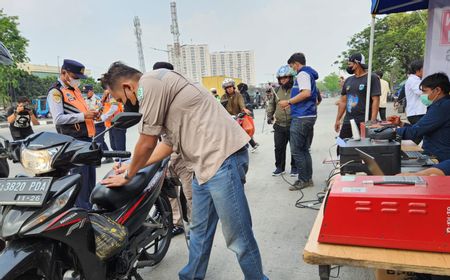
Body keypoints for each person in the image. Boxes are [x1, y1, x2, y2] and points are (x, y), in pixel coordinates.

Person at [100, 62, 268, 280]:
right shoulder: (162, 87)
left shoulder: (148, 83)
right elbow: (167, 143)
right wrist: (133, 164)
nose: (125, 104)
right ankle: (191, 277)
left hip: (222, 159)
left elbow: (147, 141)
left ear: (127, 86)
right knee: (199, 230)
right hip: (204, 165)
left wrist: (128, 175)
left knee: (238, 237)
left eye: (121, 99)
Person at [47, 59, 98, 209]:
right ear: (64, 73)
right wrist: (84, 116)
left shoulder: (75, 90)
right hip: (73, 140)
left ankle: (90, 208)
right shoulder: (56, 92)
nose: (77, 81)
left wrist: (91, 115)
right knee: (80, 178)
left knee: (90, 177)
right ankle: (82, 211)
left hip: (87, 138)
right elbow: (58, 119)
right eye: (75, 77)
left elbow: (80, 111)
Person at [152, 61, 193, 237]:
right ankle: (175, 222)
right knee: (167, 189)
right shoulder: (155, 97)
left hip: (183, 152)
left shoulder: (180, 96)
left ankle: (197, 225)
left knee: (189, 191)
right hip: (164, 152)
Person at [388, 72, 450, 162]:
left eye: (425, 91)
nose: (422, 95)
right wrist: (401, 124)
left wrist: (390, 132)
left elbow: (415, 132)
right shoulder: (441, 105)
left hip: (440, 158)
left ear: (437, 90)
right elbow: (422, 129)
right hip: (435, 154)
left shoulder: (441, 107)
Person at [279, 52, 318, 190]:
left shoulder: (302, 74)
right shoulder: (308, 75)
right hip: (307, 115)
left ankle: (303, 180)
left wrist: (289, 101)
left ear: (296, 63)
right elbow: (312, 96)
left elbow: (306, 93)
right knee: (304, 149)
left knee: (296, 150)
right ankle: (307, 179)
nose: (292, 69)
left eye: (292, 66)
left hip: (301, 117)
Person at [334, 53, 381, 139]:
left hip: (364, 120)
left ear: (357, 63)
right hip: (348, 120)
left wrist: (373, 120)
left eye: (350, 64)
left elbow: (376, 100)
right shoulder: (348, 80)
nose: (348, 66)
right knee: (342, 146)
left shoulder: (372, 78)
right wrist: (338, 120)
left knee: (363, 147)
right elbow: (343, 102)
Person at [266, 65, 297, 177]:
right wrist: (269, 116)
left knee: (294, 147)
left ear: (291, 78)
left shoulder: (296, 89)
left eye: (286, 78)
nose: (283, 80)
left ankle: (295, 168)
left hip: (293, 123)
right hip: (279, 124)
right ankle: (279, 167)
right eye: (281, 78)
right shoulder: (277, 90)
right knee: (278, 147)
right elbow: (271, 105)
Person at [221, 79, 259, 151]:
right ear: (225, 89)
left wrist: (244, 109)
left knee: (243, 131)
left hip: (238, 116)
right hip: (228, 118)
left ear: (233, 87)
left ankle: (252, 144)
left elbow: (241, 103)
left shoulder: (238, 95)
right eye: (227, 88)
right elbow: (220, 106)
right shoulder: (223, 97)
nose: (229, 89)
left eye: (230, 87)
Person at [82, 84, 113, 164]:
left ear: (92, 91)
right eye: (84, 92)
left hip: (99, 123)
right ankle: (109, 157)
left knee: (97, 141)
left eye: (87, 92)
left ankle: (97, 160)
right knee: (100, 140)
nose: (86, 94)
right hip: (91, 123)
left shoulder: (97, 99)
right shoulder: (84, 100)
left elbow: (100, 110)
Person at [405, 60, 426, 125]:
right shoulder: (413, 80)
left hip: (418, 113)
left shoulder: (417, 80)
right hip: (416, 113)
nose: (425, 70)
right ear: (417, 70)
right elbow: (421, 91)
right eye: (424, 68)